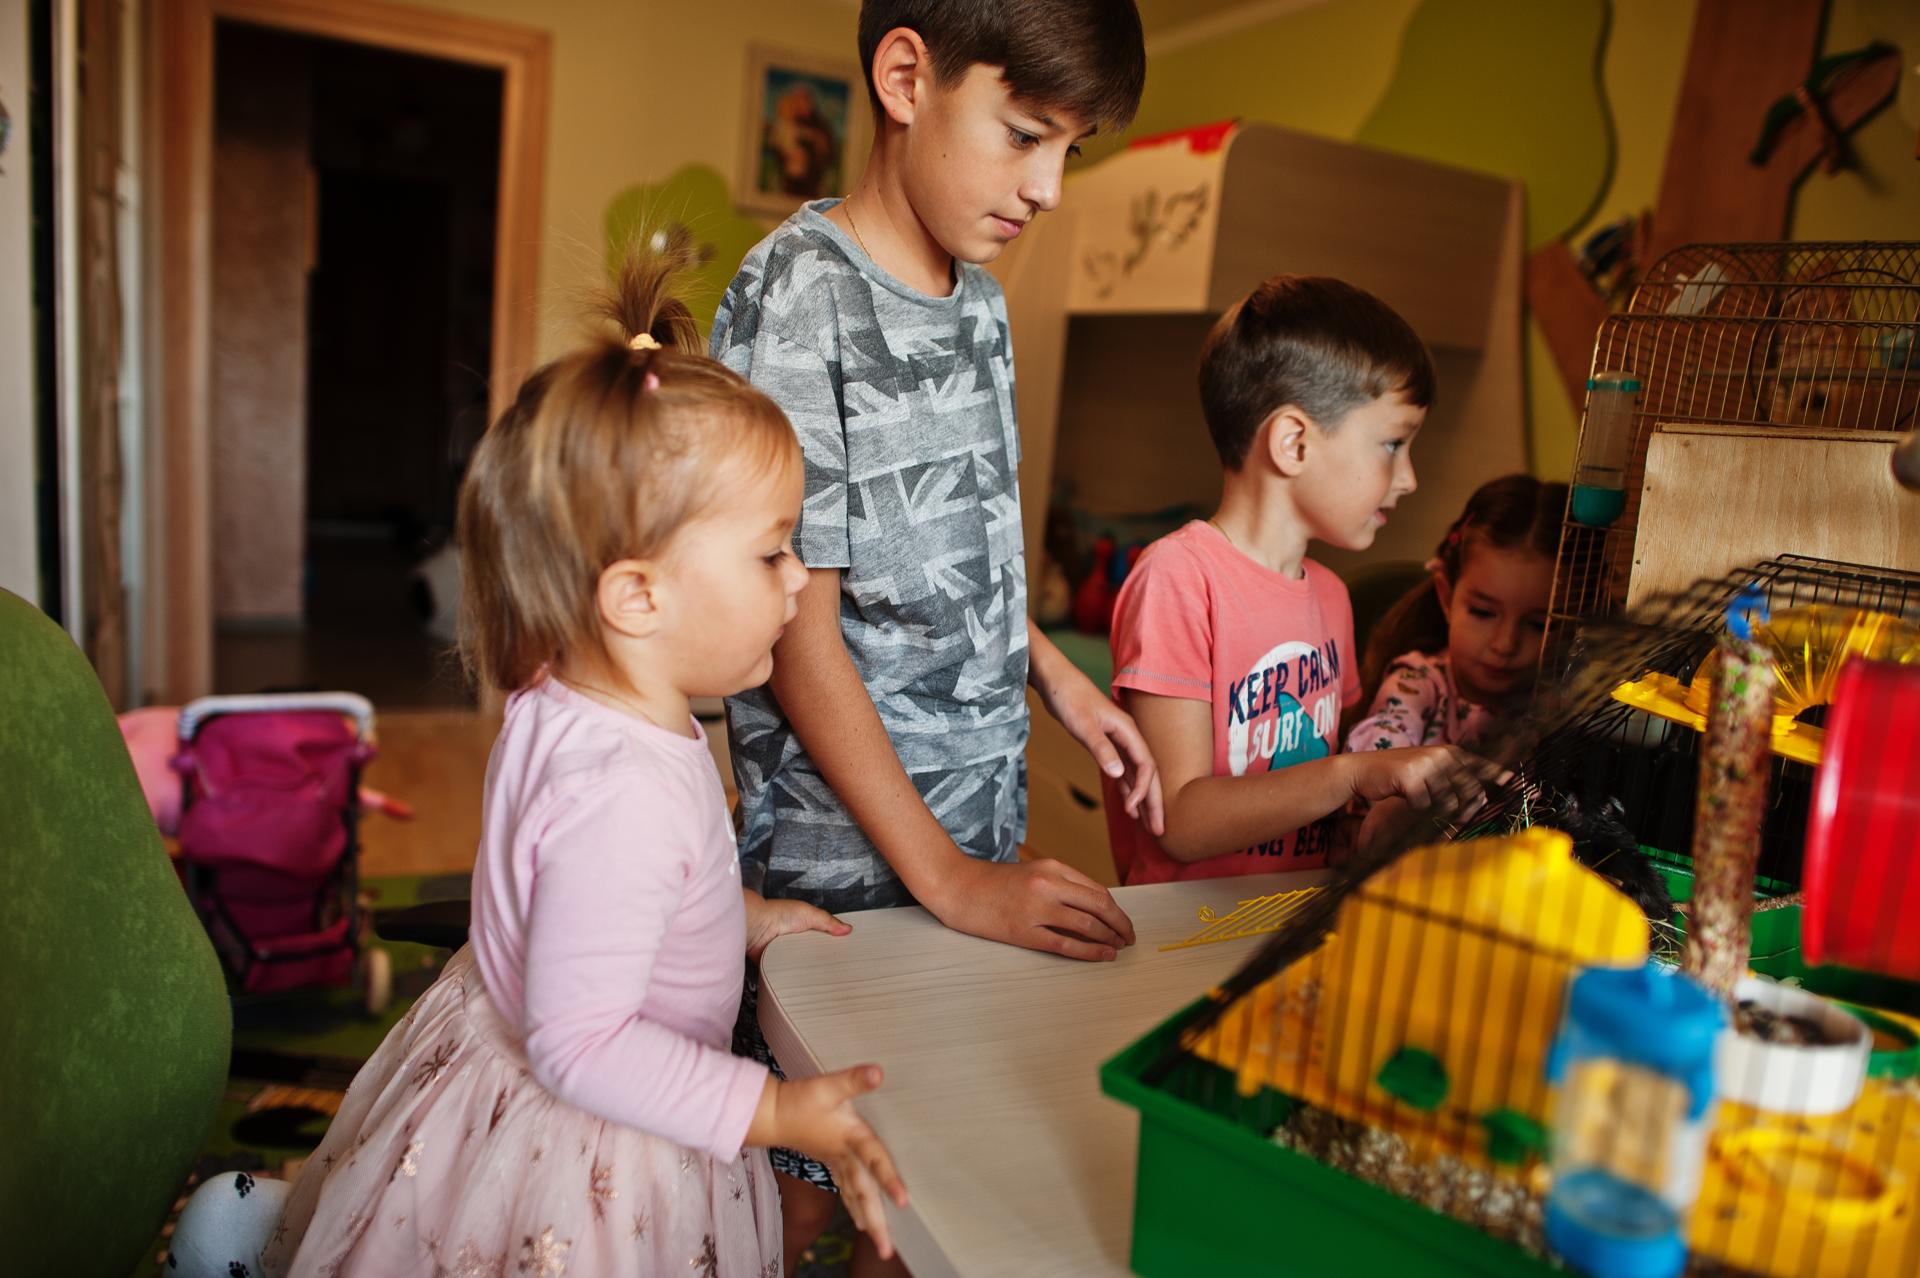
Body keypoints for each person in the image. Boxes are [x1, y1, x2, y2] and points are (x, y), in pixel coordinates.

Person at [263, 240, 906, 1278]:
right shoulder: (622, 791)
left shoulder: (572, 696)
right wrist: (773, 1109)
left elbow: (609, 897)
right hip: (586, 1142)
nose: (799, 581)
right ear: (637, 596)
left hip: (499, 1044)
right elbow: (583, 1044)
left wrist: (739, 918)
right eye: (771, 551)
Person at [710, 2, 1152, 1271]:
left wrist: (1056, 677)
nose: (1049, 188)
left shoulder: (984, 305)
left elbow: (968, 548)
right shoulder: (800, 295)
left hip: (976, 826)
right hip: (841, 864)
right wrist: (949, 879)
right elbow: (799, 634)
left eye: (1070, 151)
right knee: (807, 1191)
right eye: (1024, 135)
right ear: (907, 77)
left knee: (924, 1172)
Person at [1105, 274, 1491, 887]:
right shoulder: (1179, 578)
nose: (1408, 478)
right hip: (1182, 926)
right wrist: (1354, 774)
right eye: (1393, 444)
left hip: (1286, 914)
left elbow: (1321, 799)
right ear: (1294, 444)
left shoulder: (1332, 597)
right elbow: (1178, 820)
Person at [1347, 474, 1566, 754]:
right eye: (1483, 613)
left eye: (1539, 624)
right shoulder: (1417, 684)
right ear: (1446, 597)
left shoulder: (1561, 699)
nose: (1505, 644)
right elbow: (1376, 753)